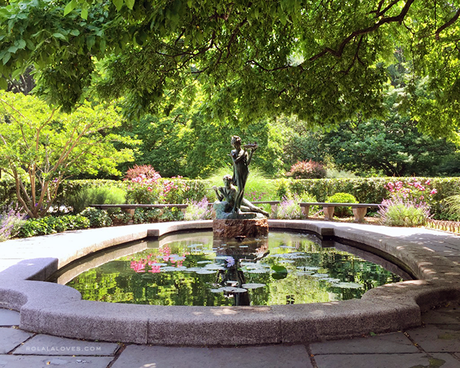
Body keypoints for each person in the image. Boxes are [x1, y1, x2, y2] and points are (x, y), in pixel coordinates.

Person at [229, 136, 257, 214]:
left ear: (239, 143)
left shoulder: (244, 152)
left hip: (244, 171)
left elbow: (247, 163)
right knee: (240, 189)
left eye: (236, 144)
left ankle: (238, 208)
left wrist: (251, 153)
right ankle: (235, 208)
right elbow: (236, 161)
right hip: (237, 172)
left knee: (242, 191)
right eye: (233, 144)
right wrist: (244, 152)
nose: (235, 146)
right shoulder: (233, 152)